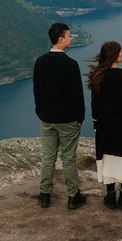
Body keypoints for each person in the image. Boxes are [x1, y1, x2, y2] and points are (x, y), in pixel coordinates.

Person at [33, 22, 87, 210]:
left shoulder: (40, 62)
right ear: (61, 39)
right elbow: (77, 95)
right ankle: (73, 197)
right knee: (69, 158)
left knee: (48, 157)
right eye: (69, 36)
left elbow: (37, 91)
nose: (71, 39)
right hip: (68, 119)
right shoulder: (71, 65)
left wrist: (41, 112)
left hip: (47, 118)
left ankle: (44, 195)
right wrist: (80, 117)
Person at [86, 40, 122, 209]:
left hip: (105, 126)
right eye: (120, 51)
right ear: (114, 55)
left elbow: (94, 105)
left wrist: (96, 124)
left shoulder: (98, 76)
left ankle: (111, 197)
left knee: (107, 159)